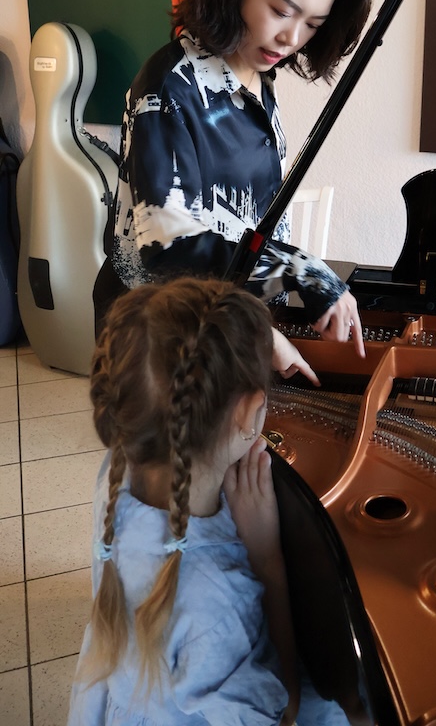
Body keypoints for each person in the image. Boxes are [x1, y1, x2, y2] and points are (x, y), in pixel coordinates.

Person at [94, 0, 372, 356]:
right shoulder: (170, 86)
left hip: (225, 321)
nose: (291, 38)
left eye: (313, 24)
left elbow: (249, 221)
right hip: (159, 339)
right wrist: (301, 270)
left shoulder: (257, 76)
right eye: (282, 10)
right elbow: (168, 246)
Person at [68, 276, 345, 725]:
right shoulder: (216, 600)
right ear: (248, 412)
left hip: (123, 695)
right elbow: (282, 711)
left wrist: (253, 340)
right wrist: (267, 559)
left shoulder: (116, 469)